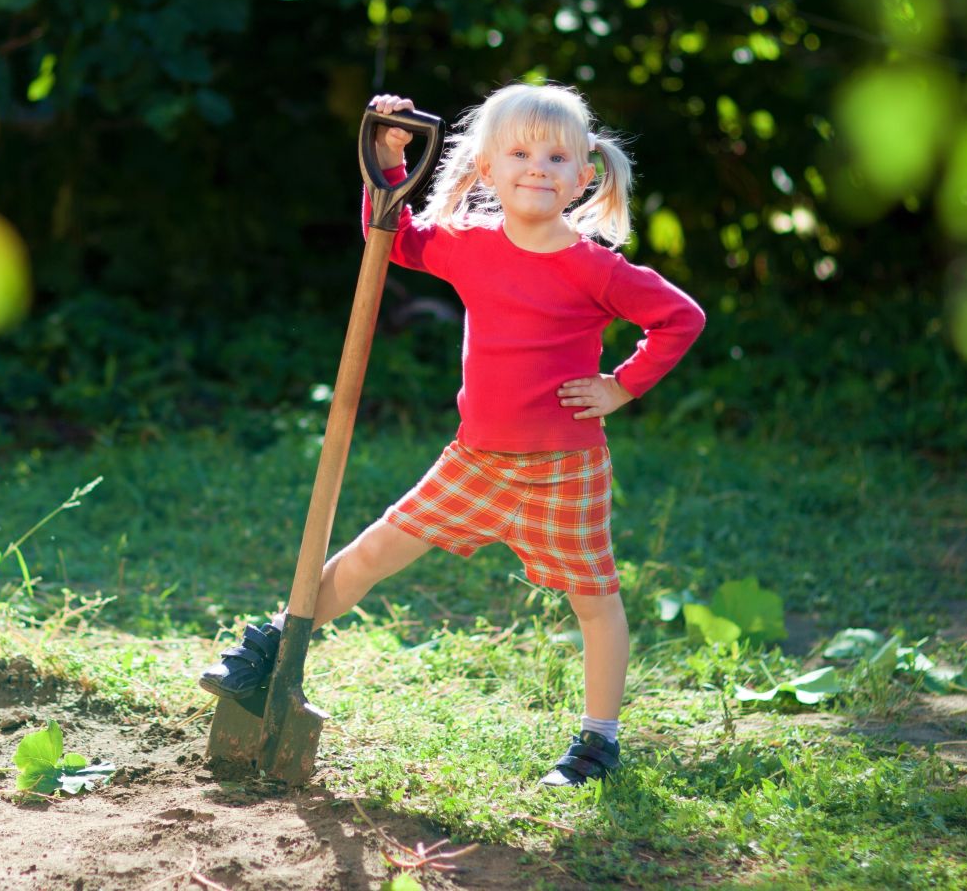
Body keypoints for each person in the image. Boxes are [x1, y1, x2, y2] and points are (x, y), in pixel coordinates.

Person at [199, 83, 706, 788]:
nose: (538, 166)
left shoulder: (595, 268)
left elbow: (681, 317)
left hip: (564, 467)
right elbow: (394, 240)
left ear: (583, 175)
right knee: (371, 550)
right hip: (476, 462)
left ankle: (598, 742)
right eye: (520, 152)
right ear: (487, 169)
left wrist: (620, 385)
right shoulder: (469, 247)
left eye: (557, 155)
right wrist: (386, 161)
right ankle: (273, 653)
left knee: (595, 600)